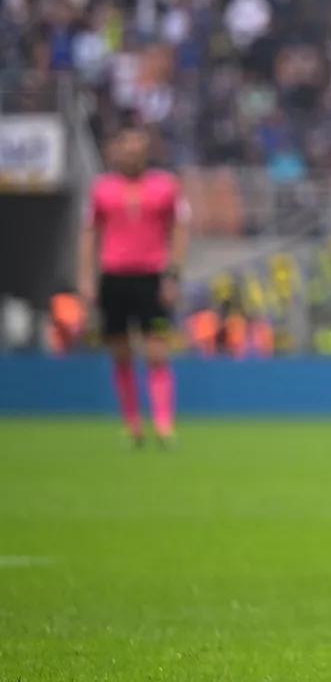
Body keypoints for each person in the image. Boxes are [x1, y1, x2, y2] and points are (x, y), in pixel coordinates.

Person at [84, 126, 187, 447]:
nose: (132, 152)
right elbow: (89, 232)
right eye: (126, 146)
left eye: (137, 146)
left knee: (157, 351)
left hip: (151, 277)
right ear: (117, 150)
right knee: (121, 353)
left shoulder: (166, 186)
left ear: (146, 151)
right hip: (114, 277)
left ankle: (164, 424)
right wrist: (86, 278)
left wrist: (173, 274)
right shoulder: (102, 188)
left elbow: (179, 229)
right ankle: (133, 425)